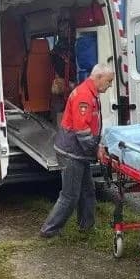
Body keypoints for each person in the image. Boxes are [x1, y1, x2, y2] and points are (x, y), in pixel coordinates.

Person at [40, 63, 114, 238]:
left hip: (78, 152)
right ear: (98, 78)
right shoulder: (84, 96)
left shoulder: (91, 93)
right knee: (70, 196)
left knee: (87, 191)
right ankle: (48, 231)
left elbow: (90, 126)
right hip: (71, 153)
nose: (110, 85)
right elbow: (82, 131)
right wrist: (96, 149)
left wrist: (98, 146)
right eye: (109, 81)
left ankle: (86, 226)